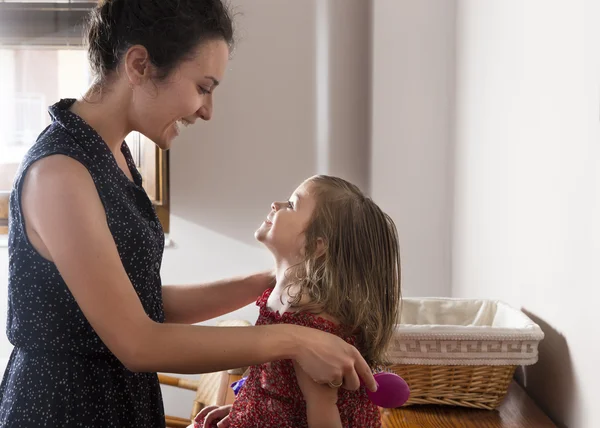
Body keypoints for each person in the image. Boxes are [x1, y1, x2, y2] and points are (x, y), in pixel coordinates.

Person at [0, 1, 376, 426]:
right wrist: (292, 339)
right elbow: (138, 341)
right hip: (66, 410)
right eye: (203, 86)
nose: (207, 110)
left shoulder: (113, 156)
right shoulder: (60, 173)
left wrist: (273, 283)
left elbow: (142, 303)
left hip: (119, 401)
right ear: (139, 64)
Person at [195, 175, 401, 428]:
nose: (276, 204)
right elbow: (287, 393)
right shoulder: (285, 298)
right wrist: (248, 408)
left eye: (292, 204)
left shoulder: (310, 322)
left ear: (317, 245)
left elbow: (322, 415)